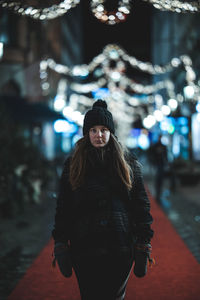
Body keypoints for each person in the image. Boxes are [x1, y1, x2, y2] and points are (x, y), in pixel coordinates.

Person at [52, 100, 154, 300]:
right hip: (84, 245)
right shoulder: (73, 164)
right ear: (86, 133)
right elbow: (64, 206)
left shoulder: (128, 163)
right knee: (89, 295)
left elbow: (140, 204)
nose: (99, 135)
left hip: (120, 243)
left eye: (104, 129)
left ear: (111, 132)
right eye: (93, 130)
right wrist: (61, 241)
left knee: (114, 296)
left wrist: (143, 241)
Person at [149, 135, 168, 204]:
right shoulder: (155, 146)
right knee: (157, 178)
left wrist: (166, 162)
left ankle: (159, 192)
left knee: (160, 178)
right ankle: (157, 192)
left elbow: (165, 155)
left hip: (161, 164)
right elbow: (152, 154)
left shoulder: (163, 146)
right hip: (157, 164)